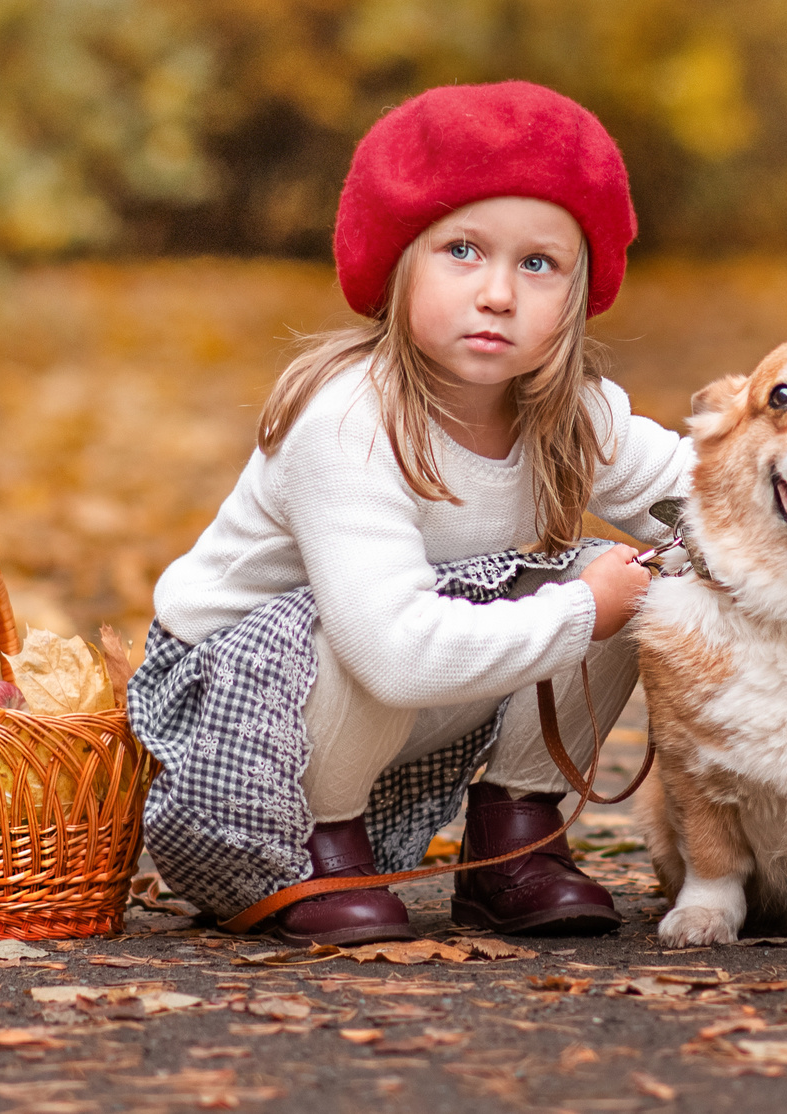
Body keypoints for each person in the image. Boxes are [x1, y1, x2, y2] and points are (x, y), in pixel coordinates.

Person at [127, 81, 690, 944]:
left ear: (576, 296)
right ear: (397, 264)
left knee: (625, 579)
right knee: (440, 613)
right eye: (463, 251)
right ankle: (317, 851)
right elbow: (387, 651)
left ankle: (518, 841)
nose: (498, 293)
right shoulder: (352, 420)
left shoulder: (572, 412)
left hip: (394, 691)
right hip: (237, 724)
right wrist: (581, 612)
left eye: (538, 264)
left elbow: (709, 502)